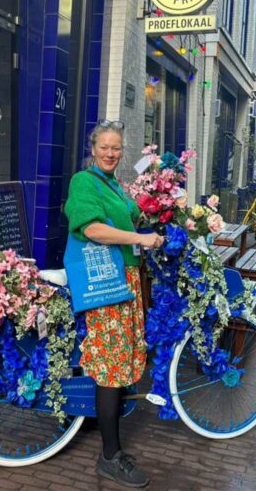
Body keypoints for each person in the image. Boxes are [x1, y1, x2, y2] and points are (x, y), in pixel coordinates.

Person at [63, 120, 164, 489]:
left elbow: (133, 214)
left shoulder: (113, 185)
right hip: (106, 286)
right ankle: (109, 456)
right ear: (93, 148)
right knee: (111, 368)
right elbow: (92, 229)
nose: (110, 153)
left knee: (119, 365)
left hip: (125, 283)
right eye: (105, 147)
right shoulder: (83, 181)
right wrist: (140, 237)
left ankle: (108, 440)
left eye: (116, 148)